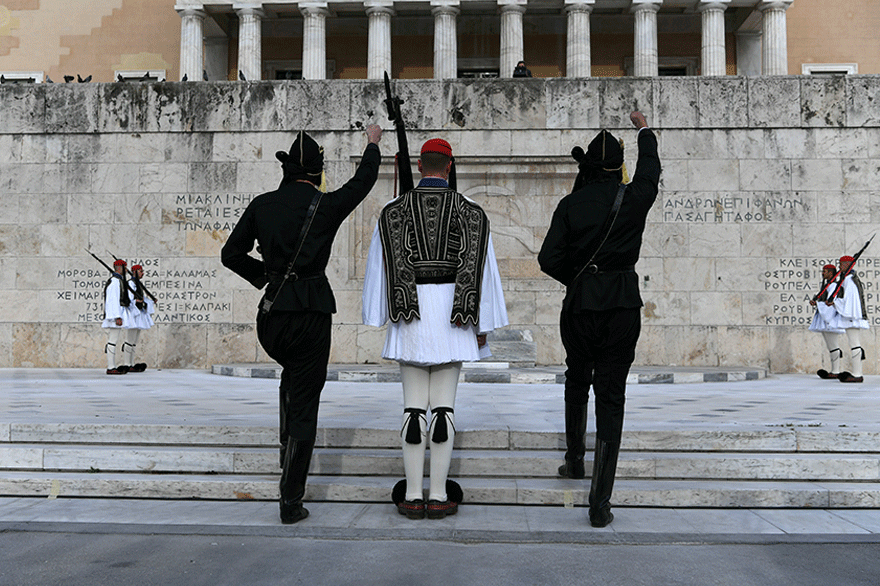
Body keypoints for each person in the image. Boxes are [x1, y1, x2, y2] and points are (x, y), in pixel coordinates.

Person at [221, 124, 383, 524]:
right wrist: (373, 144)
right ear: (317, 170)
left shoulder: (262, 204)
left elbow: (231, 254)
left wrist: (267, 277)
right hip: (310, 313)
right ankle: (291, 499)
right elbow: (363, 182)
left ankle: (285, 452)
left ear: (286, 170)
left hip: (272, 316)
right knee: (306, 400)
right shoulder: (326, 206)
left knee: (290, 378)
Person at [362, 138, 508, 520]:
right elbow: (484, 272)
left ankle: (412, 495)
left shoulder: (392, 211)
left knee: (413, 409)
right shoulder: (472, 211)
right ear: (449, 165)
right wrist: (483, 325)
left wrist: (381, 316)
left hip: (409, 315)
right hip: (454, 318)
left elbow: (379, 270)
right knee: (444, 409)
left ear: (421, 164)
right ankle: (440, 495)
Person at [538, 110, 660, 528]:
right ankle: (599, 502)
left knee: (577, 378)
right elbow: (650, 171)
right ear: (617, 166)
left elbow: (547, 259)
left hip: (581, 305)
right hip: (622, 305)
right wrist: (644, 129)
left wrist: (578, 278)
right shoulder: (636, 196)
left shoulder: (571, 204)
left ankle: (574, 461)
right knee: (611, 395)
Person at [826, 255, 870, 383]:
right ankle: (857, 373)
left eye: (841, 264)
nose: (839, 267)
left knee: (854, 343)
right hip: (852, 316)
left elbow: (849, 302)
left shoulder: (849, 280)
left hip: (852, 317)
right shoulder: (849, 279)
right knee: (854, 343)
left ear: (847, 265)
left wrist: (834, 303)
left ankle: (857, 374)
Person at [809, 264, 844, 379]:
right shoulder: (827, 285)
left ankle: (836, 371)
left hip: (830, 319)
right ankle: (834, 370)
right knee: (831, 345)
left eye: (825, 271)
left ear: (831, 273)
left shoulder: (833, 286)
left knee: (833, 345)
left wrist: (818, 303)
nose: (823, 273)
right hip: (825, 319)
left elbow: (830, 304)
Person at [101, 259, 134, 375]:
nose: (126, 271)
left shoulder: (118, 281)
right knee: (113, 340)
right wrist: (117, 317)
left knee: (113, 340)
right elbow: (112, 301)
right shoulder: (114, 282)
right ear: (119, 269)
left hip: (117, 314)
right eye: (125, 268)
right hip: (115, 315)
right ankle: (111, 367)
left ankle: (112, 366)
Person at [122, 264, 155, 373]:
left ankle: (131, 364)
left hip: (138, 315)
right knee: (129, 340)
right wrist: (137, 302)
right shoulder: (131, 283)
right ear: (135, 272)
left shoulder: (137, 284)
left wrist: (149, 302)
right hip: (133, 315)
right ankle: (127, 363)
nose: (143, 273)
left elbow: (141, 297)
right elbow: (129, 299)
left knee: (134, 341)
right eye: (141, 271)